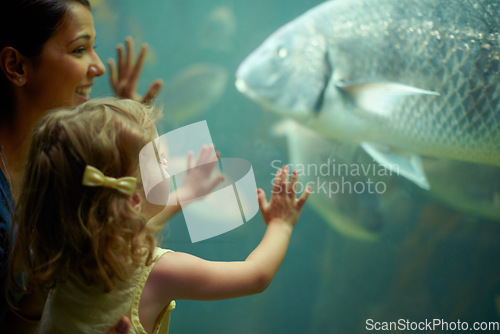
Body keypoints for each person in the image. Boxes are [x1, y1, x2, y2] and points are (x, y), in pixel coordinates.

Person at [9, 98, 310, 334]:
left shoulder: (64, 248)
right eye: (157, 158)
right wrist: (281, 224)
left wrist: (184, 194)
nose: (167, 160)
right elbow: (255, 276)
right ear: (134, 199)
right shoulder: (159, 271)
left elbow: (138, 220)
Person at [0, 0, 162, 332]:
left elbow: (133, 214)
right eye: (79, 50)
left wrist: (130, 142)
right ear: (16, 65)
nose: (99, 66)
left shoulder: (65, 164)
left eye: (94, 48)